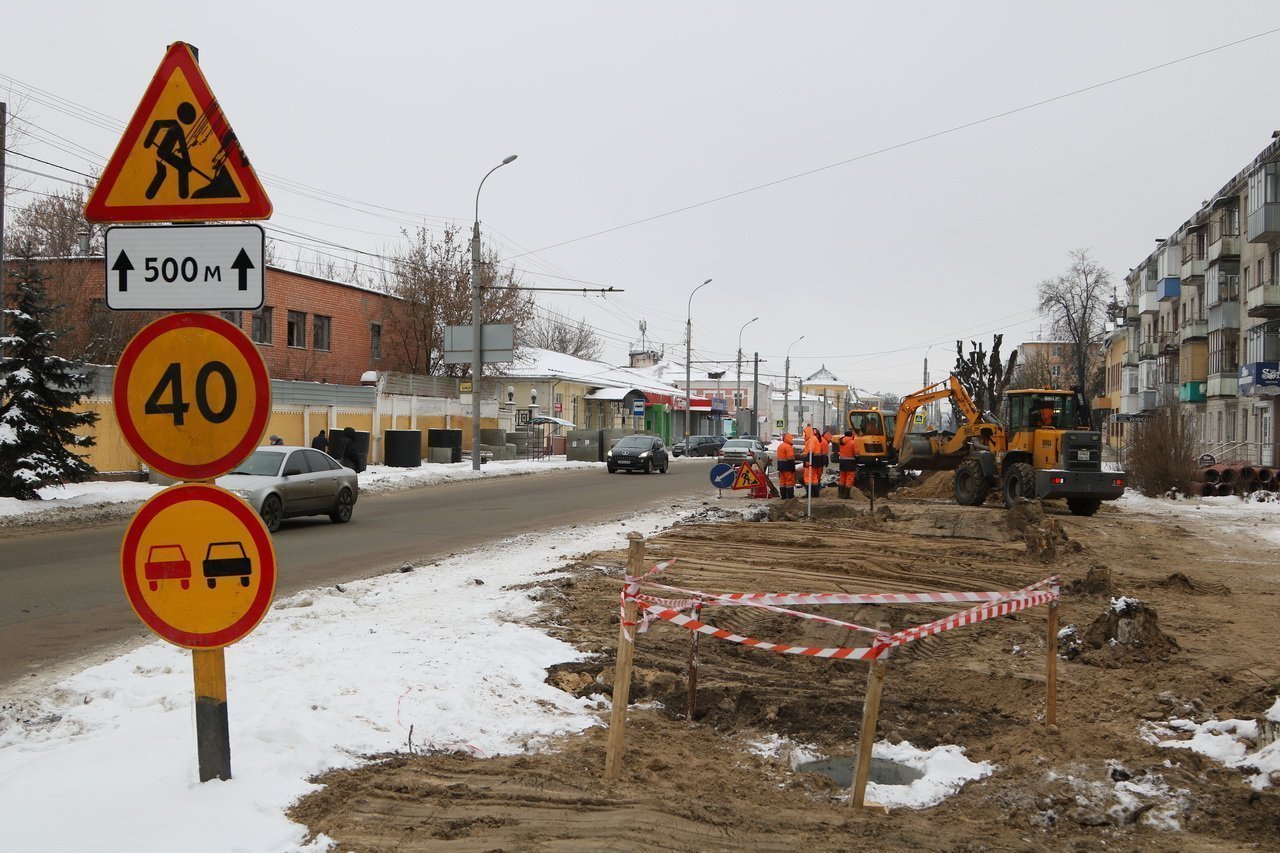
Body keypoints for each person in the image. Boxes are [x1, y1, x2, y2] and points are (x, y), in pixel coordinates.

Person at [802, 425, 823, 498]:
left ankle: (809, 493)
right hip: (814, 461)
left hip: (810, 462)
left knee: (808, 477)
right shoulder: (813, 439)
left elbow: (811, 451)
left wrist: (807, 460)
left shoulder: (811, 440)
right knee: (814, 478)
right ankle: (815, 493)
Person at [837, 428, 858, 499]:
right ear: (851, 435)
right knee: (849, 478)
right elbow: (856, 453)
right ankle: (846, 495)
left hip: (842, 462)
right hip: (850, 462)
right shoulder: (853, 442)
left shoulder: (841, 442)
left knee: (842, 478)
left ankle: (840, 494)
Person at [775, 432, 797, 500]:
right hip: (787, 467)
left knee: (782, 482)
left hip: (781, 467)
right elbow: (790, 459)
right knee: (789, 482)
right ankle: (790, 496)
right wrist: (792, 468)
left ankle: (783, 496)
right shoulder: (788, 447)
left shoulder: (780, 446)